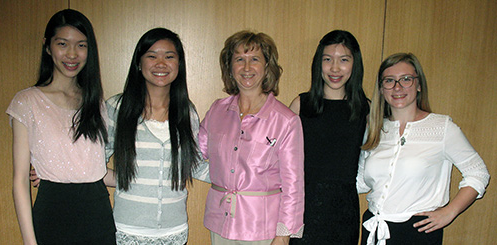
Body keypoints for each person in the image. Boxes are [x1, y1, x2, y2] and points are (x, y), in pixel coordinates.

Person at [7, 9, 116, 244]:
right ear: (48, 46)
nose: (72, 54)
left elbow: (93, 170)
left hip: (98, 214)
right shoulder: (26, 101)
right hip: (52, 214)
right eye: (63, 44)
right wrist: (29, 241)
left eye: (81, 45)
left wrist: (148, 177)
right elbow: (20, 180)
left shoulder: (94, 101)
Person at [357, 53, 490, 245]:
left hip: (418, 232)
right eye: (389, 81)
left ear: (418, 85)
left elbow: (478, 172)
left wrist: (449, 212)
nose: (397, 87)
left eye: (406, 79)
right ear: (381, 89)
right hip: (374, 227)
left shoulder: (442, 128)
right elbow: (361, 182)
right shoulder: (374, 130)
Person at [103, 28, 209, 244]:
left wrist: (248, 177)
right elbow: (91, 165)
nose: (161, 64)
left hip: (174, 232)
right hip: (127, 230)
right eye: (152, 56)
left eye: (169, 57)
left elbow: (195, 165)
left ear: (179, 64)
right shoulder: (117, 108)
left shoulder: (186, 111)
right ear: (138, 62)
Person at [198, 30, 305, 245]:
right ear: (230, 67)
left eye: (254, 59)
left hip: (262, 229)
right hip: (220, 223)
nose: (247, 68)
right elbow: (194, 155)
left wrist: (284, 234)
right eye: (239, 59)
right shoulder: (217, 111)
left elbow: (293, 184)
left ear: (267, 66)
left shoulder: (286, 120)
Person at [288, 30, 369, 244]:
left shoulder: (366, 109)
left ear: (355, 63)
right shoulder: (300, 105)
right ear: (318, 63)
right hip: (303, 211)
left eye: (344, 60)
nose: (335, 68)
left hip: (344, 213)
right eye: (327, 59)